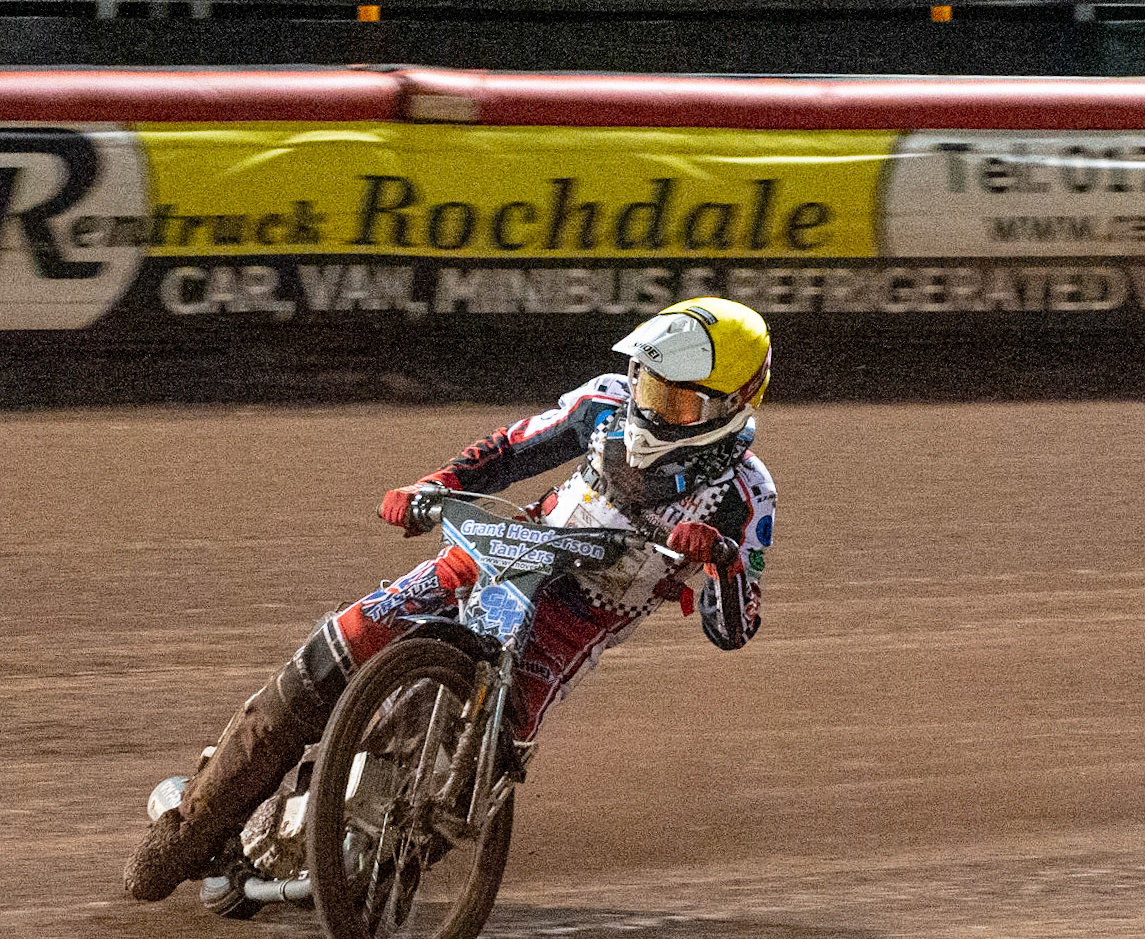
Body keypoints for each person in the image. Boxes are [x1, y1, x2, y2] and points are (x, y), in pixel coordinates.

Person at [124, 297, 778, 902]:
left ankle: (362, 863)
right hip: (503, 550)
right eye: (647, 384)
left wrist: (718, 557)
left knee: (465, 785)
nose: (653, 409)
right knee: (334, 651)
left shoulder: (748, 495)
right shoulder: (604, 403)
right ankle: (189, 827)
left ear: (732, 406)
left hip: (567, 624)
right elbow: (509, 450)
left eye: (678, 402)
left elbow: (734, 627)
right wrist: (431, 485)